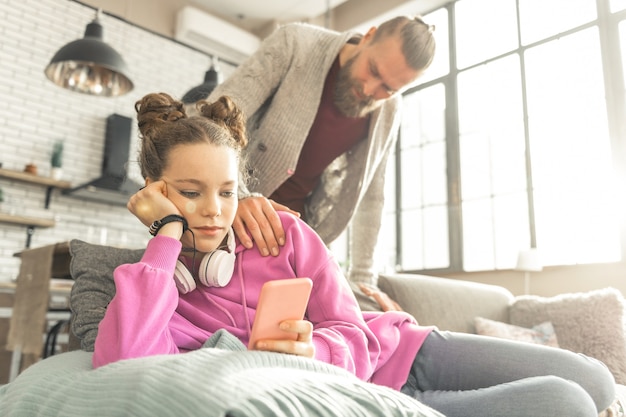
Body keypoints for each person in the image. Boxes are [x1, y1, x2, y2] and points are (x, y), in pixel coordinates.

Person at [93, 92, 616, 417]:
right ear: (154, 190)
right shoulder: (151, 283)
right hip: (357, 397)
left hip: (402, 352)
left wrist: (311, 352)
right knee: (563, 402)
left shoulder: (280, 235)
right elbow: (122, 365)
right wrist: (165, 237)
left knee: (597, 379)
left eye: (226, 191)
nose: (213, 211)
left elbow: (355, 330)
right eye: (190, 192)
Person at [205, 15, 436, 284]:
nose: (370, 90)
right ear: (369, 35)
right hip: (231, 216)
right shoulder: (296, 43)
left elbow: (372, 197)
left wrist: (362, 280)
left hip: (294, 243)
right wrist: (237, 196)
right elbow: (215, 124)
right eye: (373, 70)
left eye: (389, 88)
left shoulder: (388, 111)